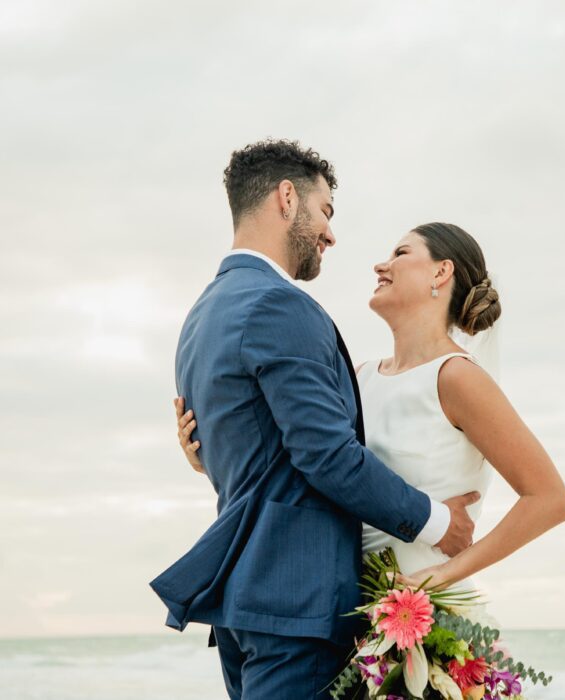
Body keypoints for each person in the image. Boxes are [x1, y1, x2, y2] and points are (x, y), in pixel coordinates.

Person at [150, 140, 479, 700]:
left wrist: (203, 462)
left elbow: (252, 452)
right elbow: (324, 454)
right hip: (297, 605)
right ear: (286, 199)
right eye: (325, 211)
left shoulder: (201, 316)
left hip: (248, 605)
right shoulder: (280, 306)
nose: (330, 234)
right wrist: (435, 523)